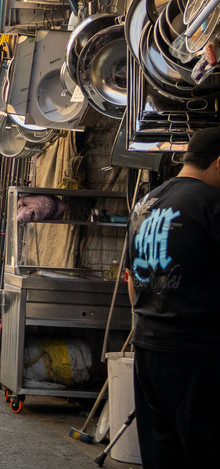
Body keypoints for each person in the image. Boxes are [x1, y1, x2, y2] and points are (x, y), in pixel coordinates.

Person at [124, 127, 220, 467]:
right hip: (195, 352)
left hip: (148, 346)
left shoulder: (144, 205)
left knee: (161, 451)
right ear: (219, 163)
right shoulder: (212, 204)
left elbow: (131, 279)